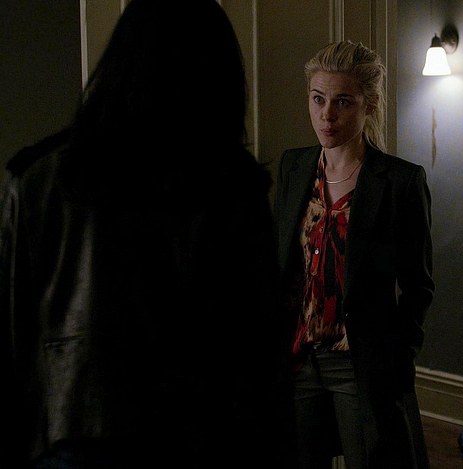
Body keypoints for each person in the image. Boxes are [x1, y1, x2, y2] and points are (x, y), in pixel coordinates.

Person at [0, 1, 294, 467]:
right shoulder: (230, 183)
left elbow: (14, 337)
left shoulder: (40, 178)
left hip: (74, 427)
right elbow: (258, 347)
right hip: (199, 432)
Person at [274, 41, 434, 469]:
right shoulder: (294, 167)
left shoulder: (399, 182)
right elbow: (282, 265)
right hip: (298, 358)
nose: (327, 115)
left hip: (358, 363)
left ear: (370, 104)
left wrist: (397, 360)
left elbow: (418, 286)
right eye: (318, 99)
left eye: (342, 102)